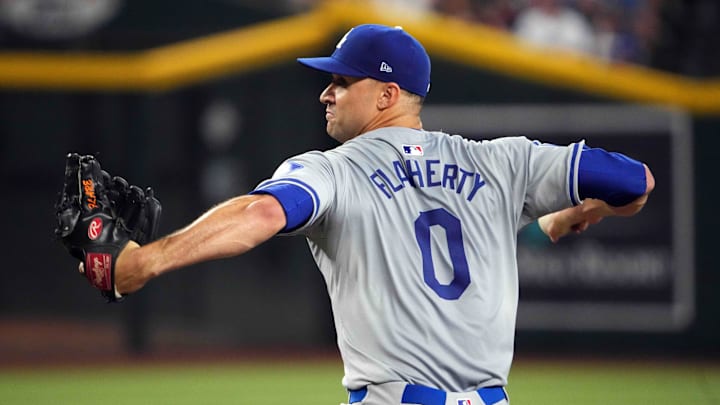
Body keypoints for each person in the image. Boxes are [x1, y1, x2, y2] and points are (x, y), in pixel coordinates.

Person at [110, 24, 654, 405]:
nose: (326, 93)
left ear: (386, 94)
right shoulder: (502, 161)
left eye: (342, 82)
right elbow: (637, 182)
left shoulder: (333, 170)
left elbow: (260, 214)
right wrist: (574, 214)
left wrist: (144, 263)